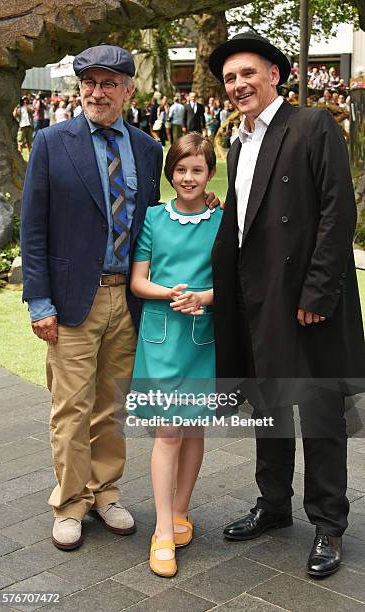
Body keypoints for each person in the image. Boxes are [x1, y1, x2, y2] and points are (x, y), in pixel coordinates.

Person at [208, 31, 365, 578]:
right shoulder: (238, 142)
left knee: (321, 413)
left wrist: (319, 292)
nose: (238, 85)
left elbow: (336, 212)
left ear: (275, 74)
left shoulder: (313, 124)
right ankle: (273, 505)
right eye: (229, 78)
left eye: (247, 73)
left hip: (309, 300)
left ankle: (328, 524)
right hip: (260, 298)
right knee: (269, 407)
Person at [21, 44, 163, 551]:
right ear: (79, 88)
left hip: (127, 299)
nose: (96, 92)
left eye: (108, 83)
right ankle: (70, 503)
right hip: (72, 301)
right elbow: (33, 228)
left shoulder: (147, 149)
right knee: (71, 408)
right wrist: (40, 303)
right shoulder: (51, 142)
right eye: (89, 83)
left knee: (111, 407)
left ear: (129, 89)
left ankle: (105, 492)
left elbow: (152, 222)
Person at [129, 133, 222, 577]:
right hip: (161, 338)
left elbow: (236, 284)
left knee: (193, 428)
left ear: (209, 175)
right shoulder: (151, 218)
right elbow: (138, 282)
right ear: (171, 173)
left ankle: (182, 511)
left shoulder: (223, 222)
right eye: (181, 169)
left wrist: (204, 297)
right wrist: (172, 294)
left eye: (197, 170)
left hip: (202, 336)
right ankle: (162, 530)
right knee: (168, 433)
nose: (188, 177)